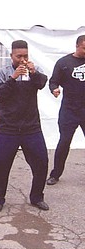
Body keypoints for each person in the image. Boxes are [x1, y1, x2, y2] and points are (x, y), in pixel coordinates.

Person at [0, 40, 49, 212]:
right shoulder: (3, 73)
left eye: (25, 56)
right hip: (7, 128)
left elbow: (42, 83)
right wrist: (13, 78)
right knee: (1, 165)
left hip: (31, 127)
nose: (22, 59)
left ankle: (37, 196)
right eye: (19, 56)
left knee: (41, 162)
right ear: (11, 56)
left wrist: (33, 72)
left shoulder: (34, 70)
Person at [46, 35, 85, 185]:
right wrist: (54, 89)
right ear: (77, 46)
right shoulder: (64, 63)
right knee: (64, 142)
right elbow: (53, 81)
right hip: (69, 110)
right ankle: (55, 174)